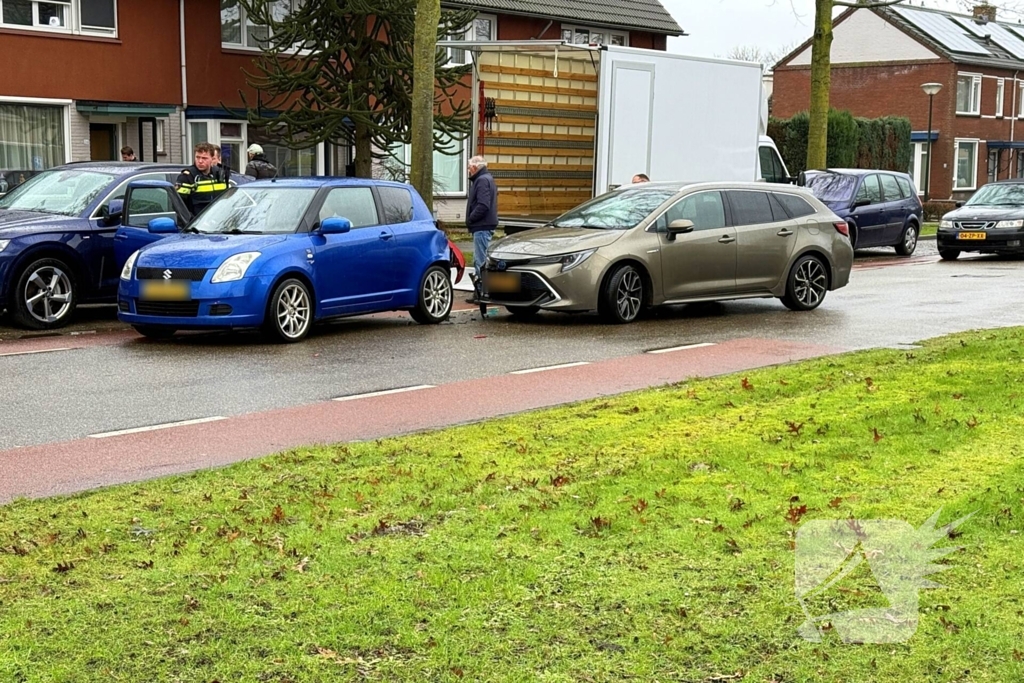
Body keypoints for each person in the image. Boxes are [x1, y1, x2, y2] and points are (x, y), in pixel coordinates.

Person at [466, 155, 498, 280]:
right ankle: (482, 290)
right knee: (480, 258)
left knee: (480, 261)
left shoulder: (482, 180)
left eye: (469, 167)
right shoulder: (487, 178)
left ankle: (483, 291)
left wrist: (470, 219)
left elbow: (483, 205)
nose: (469, 170)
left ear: (475, 167)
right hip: (484, 225)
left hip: (481, 226)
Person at [175, 143, 228, 216]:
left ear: (212, 159)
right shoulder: (187, 177)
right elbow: (178, 206)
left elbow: (227, 201)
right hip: (196, 224)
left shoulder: (219, 175)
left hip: (218, 222)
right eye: (197, 157)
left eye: (204, 158)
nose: (200, 161)